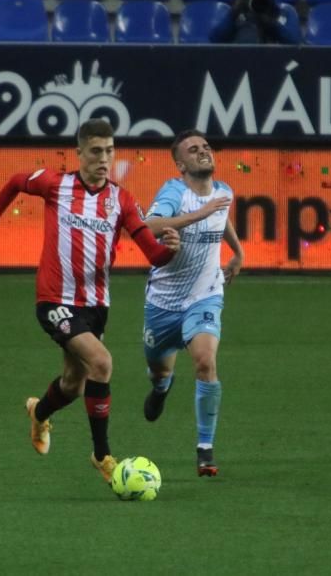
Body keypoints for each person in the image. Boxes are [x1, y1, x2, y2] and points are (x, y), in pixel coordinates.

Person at [0, 119, 180, 484]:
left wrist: (170, 251)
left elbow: (151, 252)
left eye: (110, 151)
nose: (104, 159)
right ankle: (102, 456)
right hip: (54, 299)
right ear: (80, 153)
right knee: (102, 362)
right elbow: (14, 182)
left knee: (73, 384)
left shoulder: (122, 200)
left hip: (95, 306)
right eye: (97, 151)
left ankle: (40, 412)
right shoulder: (57, 185)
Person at [140, 130, 245, 477]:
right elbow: (150, 225)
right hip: (163, 303)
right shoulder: (174, 192)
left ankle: (205, 447)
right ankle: (161, 386)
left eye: (206, 147)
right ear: (180, 163)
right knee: (160, 369)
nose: (203, 152)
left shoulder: (223, 192)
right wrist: (199, 214)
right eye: (193, 150)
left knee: (205, 361)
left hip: (206, 294)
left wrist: (238, 253)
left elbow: (222, 218)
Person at [209, 0, 302, 45]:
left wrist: (271, 24)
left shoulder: (283, 13)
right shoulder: (238, 14)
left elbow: (296, 43)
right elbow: (214, 39)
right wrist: (233, 13)